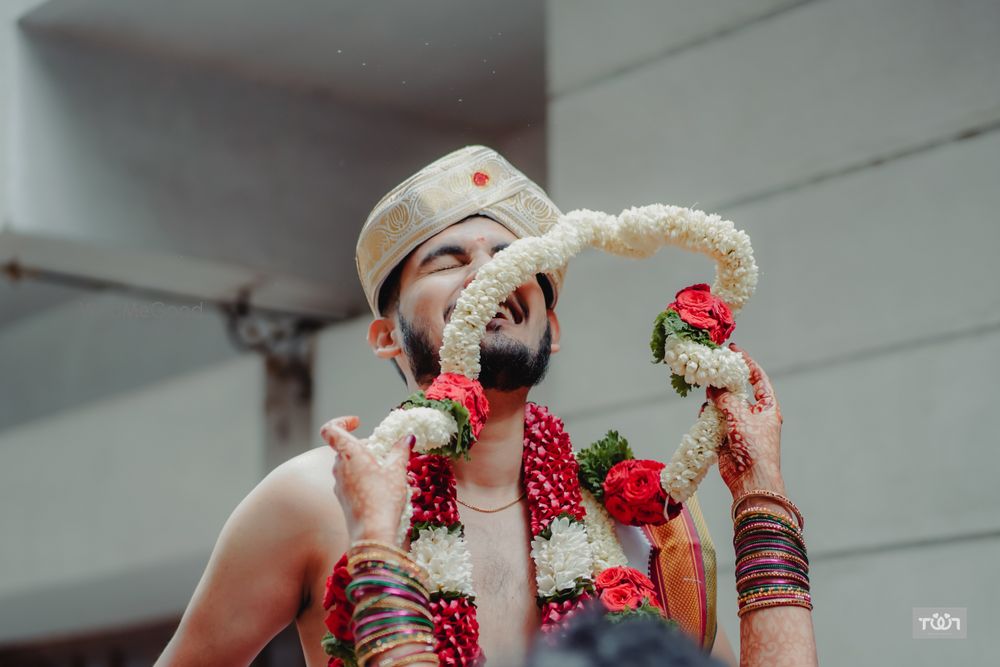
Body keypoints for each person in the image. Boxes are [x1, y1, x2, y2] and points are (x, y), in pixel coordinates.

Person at [156, 146, 816, 667]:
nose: (485, 273)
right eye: (448, 259)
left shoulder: (635, 527)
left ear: (552, 326)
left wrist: (761, 492)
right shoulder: (315, 501)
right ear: (386, 336)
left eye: (510, 258)